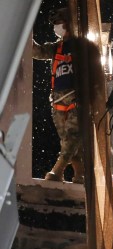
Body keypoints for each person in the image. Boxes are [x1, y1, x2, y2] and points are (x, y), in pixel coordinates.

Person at [32, 7, 84, 183]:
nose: (57, 27)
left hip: (78, 100)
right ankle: (80, 174)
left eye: (59, 23)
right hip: (58, 102)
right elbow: (36, 52)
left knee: (72, 138)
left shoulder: (82, 46)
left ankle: (57, 172)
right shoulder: (57, 48)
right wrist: (25, 35)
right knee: (69, 143)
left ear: (69, 23)